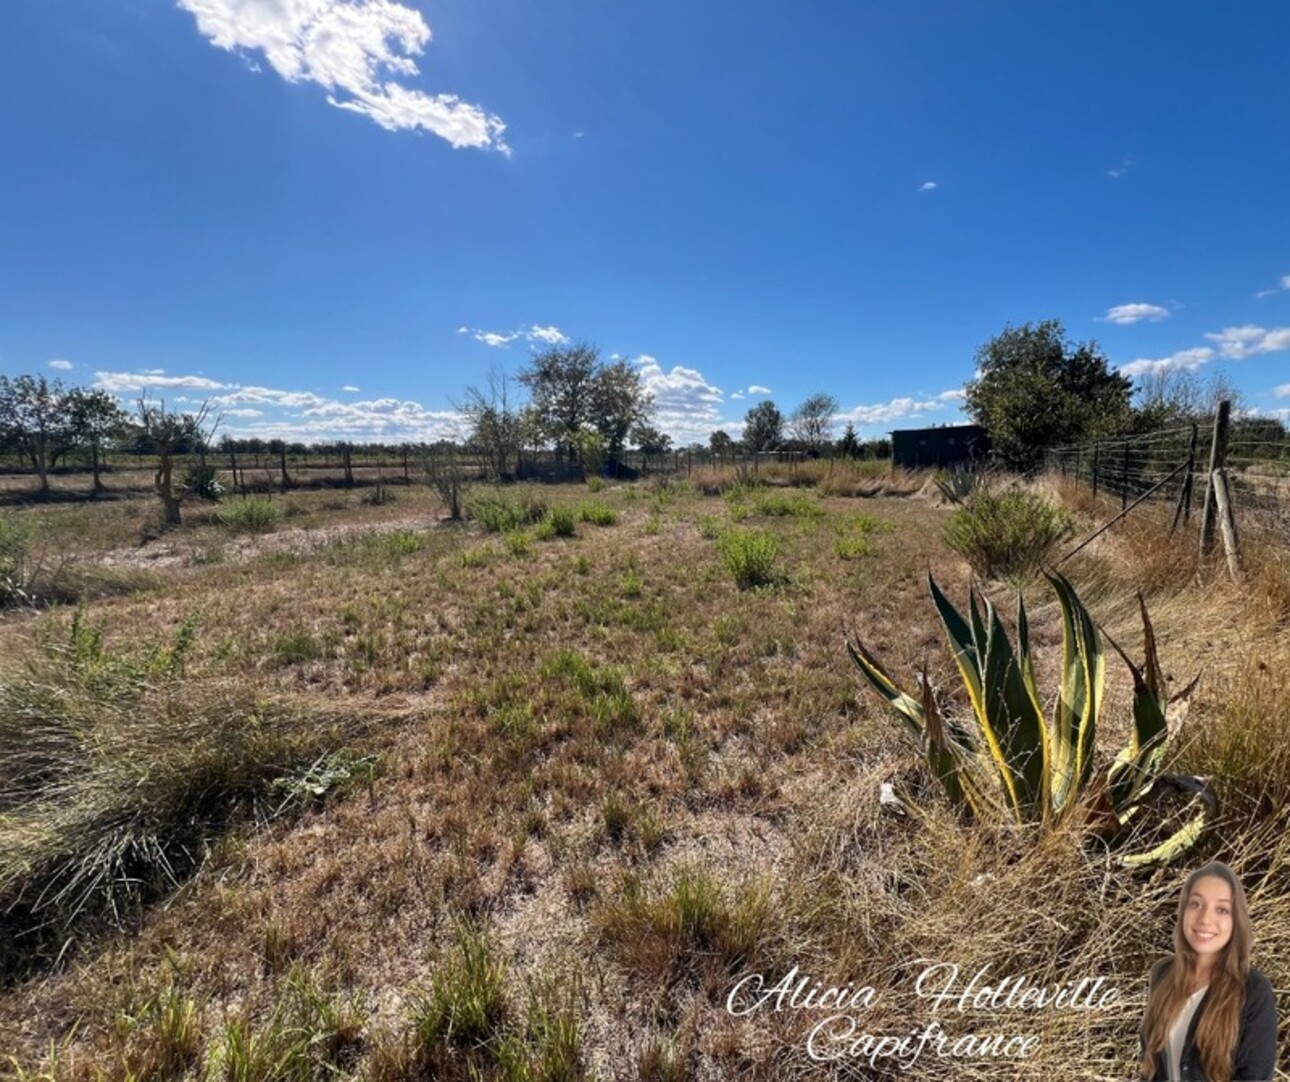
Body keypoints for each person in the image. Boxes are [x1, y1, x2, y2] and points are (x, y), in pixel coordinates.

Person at [1139, 861, 1278, 1081]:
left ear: (1236, 921)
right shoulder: (1162, 975)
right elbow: (1151, 1069)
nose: (1205, 919)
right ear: (1183, 910)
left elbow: (1254, 1076)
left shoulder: (1254, 991)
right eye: (1196, 904)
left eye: (1221, 909)